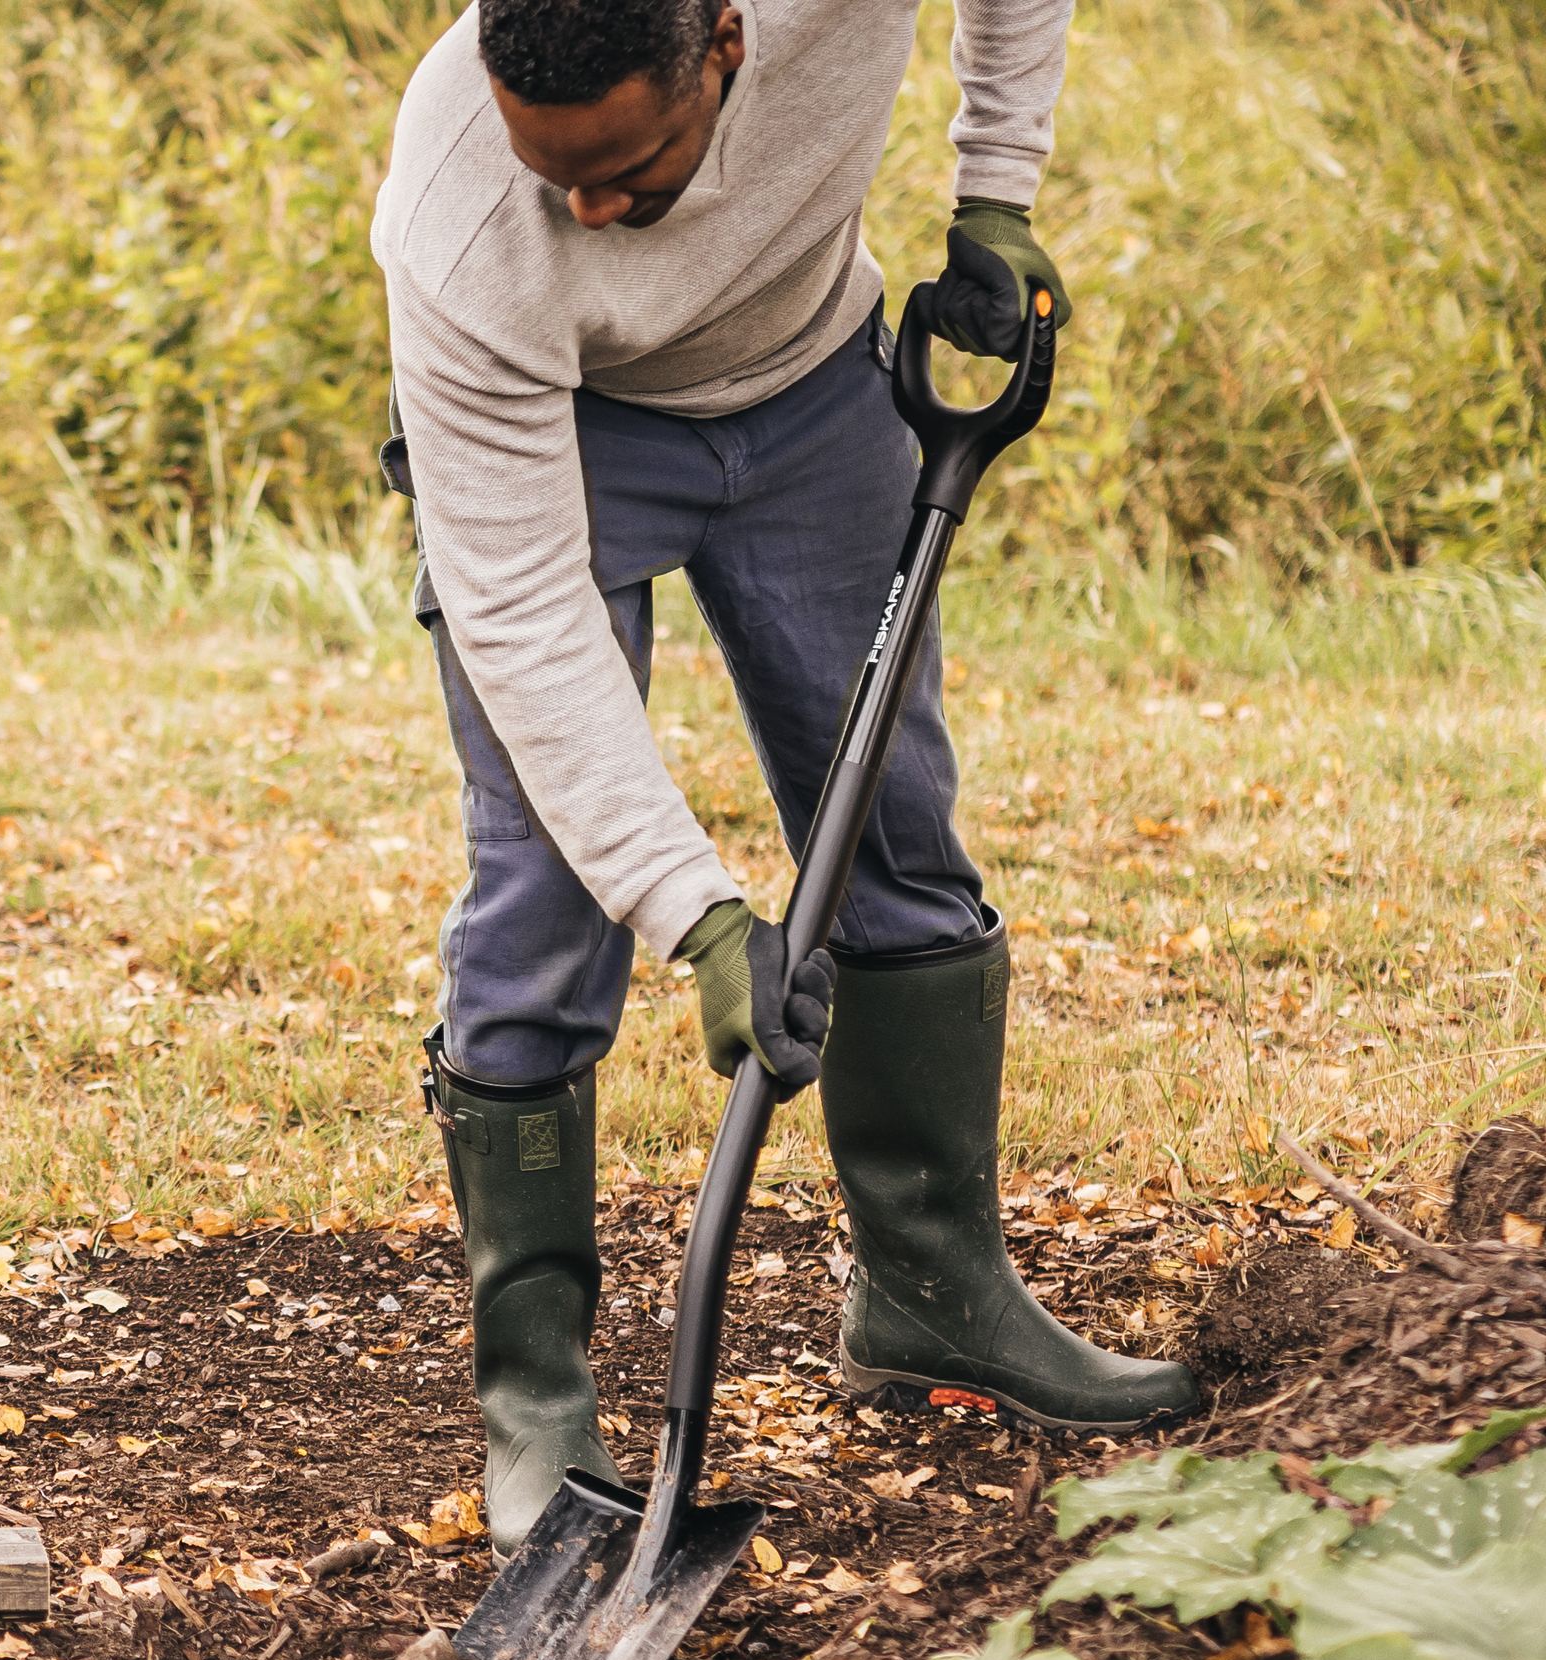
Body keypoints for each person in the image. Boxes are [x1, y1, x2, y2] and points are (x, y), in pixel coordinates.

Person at [372, 0, 1197, 1558]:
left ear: (731, 47)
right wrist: (699, 917)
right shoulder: (460, 221)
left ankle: (931, 1291)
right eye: (560, 177)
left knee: (897, 830)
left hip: (813, 385)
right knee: (549, 900)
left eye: (629, 169)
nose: (590, 212)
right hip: (574, 431)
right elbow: (525, 625)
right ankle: (537, 1402)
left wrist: (996, 187)